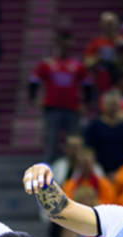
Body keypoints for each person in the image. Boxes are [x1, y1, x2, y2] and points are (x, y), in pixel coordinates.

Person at [30, 31, 89, 161]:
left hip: (72, 108)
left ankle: (73, 172)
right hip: (52, 108)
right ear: (58, 44)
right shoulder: (47, 64)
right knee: (52, 142)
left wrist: (85, 103)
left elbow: (87, 85)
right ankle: (50, 173)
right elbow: (34, 81)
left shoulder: (78, 65)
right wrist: (33, 98)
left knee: (74, 142)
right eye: (63, 44)